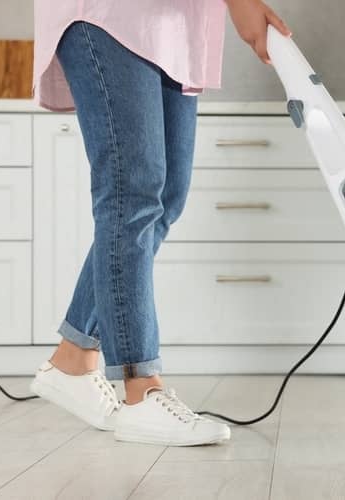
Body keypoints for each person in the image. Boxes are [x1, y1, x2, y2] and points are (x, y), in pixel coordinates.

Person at [28, 0, 290, 446]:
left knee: (164, 197)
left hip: (173, 24)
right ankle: (140, 389)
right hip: (110, 14)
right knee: (130, 192)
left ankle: (73, 358)